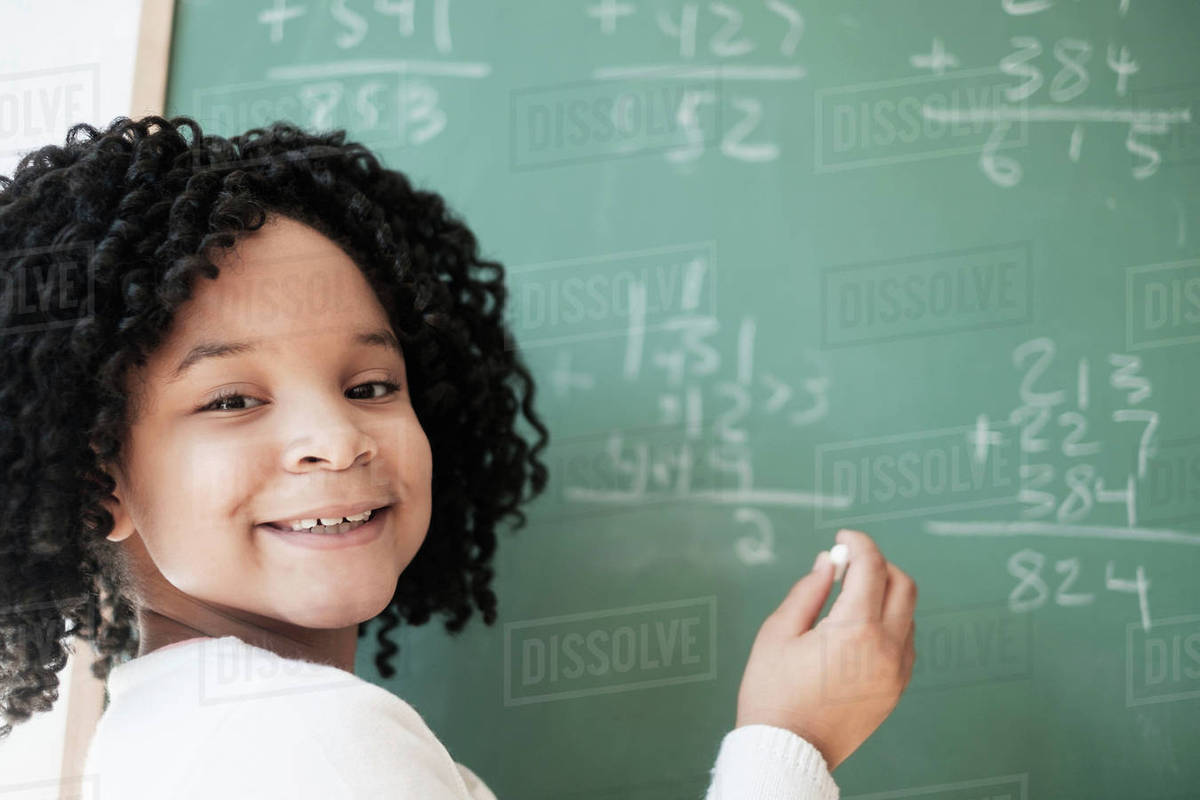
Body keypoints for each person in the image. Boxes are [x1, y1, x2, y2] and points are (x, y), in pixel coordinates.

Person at [0, 115, 916, 798]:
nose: (338, 438)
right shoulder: (300, 743)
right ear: (94, 482)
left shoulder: (178, 734)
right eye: (233, 400)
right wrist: (790, 739)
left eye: (371, 386)